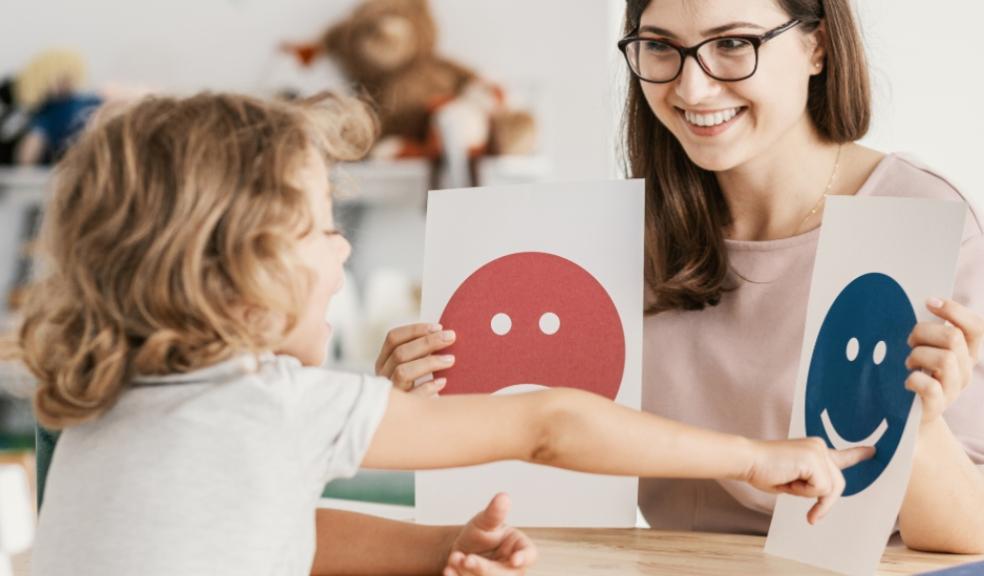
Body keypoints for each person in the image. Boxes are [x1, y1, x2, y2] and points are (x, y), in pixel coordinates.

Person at [14, 92, 868, 576]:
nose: (342, 245)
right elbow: (547, 423)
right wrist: (751, 457)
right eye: (318, 228)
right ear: (233, 271)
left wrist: (437, 546)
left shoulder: (102, 405)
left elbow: (273, 526)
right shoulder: (276, 405)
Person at [388, 0, 984, 556]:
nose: (691, 87)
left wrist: (920, 426)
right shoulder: (608, 237)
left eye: (731, 44)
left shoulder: (915, 214)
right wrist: (418, 407)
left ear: (817, 47)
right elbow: (539, 457)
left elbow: (968, 532)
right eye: (660, 46)